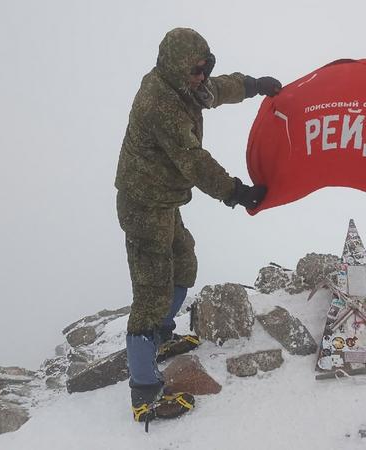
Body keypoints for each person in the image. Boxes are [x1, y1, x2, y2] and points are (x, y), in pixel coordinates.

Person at [114, 27, 281, 429]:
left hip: (165, 202)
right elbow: (194, 161)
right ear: (176, 67)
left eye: (205, 67)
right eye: (195, 70)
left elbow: (215, 91)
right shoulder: (161, 104)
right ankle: (144, 391)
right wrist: (235, 192)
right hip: (143, 206)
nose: (201, 76)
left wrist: (253, 85)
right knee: (150, 295)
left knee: (184, 264)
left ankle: (162, 335)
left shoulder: (185, 84)